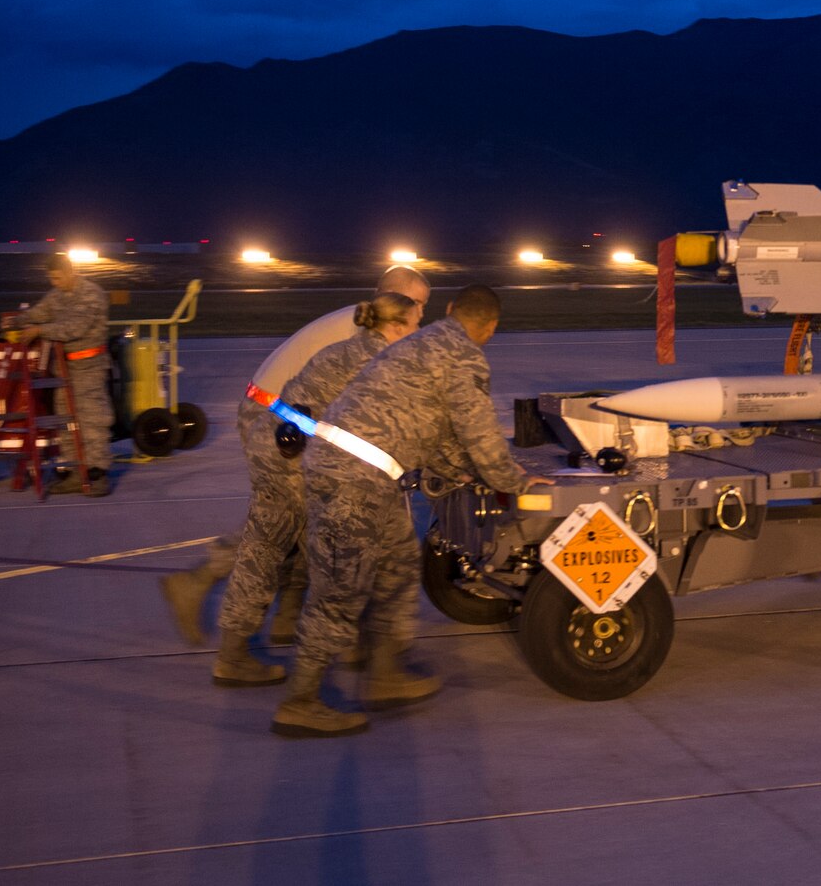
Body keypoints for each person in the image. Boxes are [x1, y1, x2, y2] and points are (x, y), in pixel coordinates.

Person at [274, 285, 553, 738]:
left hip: (358, 470)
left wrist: (460, 472)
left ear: (448, 311)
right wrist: (515, 481)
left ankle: (385, 674)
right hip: (353, 477)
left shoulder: (421, 344)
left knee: (400, 562)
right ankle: (300, 701)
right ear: (491, 328)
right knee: (340, 590)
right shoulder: (463, 357)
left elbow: (438, 436)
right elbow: (478, 434)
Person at [161, 266, 430, 645]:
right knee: (281, 522)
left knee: (306, 520)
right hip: (274, 418)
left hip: (281, 414)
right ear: (393, 298)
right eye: (417, 304)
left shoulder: (362, 321)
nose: (421, 316)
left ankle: (287, 621)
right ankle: (198, 580)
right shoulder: (370, 333)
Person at [208, 291, 423, 687]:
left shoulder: (343, 348)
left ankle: (232, 656)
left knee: (263, 551)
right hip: (294, 458)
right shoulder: (381, 363)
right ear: (395, 328)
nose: (419, 332)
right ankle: (359, 663)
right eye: (414, 324)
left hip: (270, 442)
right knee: (363, 551)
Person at [16, 255, 112, 496]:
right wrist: (14, 321)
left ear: (70, 271)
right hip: (64, 369)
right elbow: (40, 312)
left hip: (89, 367)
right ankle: (74, 473)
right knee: (67, 422)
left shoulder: (91, 294)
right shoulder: (56, 295)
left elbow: (74, 327)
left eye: (58, 277)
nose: (55, 282)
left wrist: (40, 330)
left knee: (92, 422)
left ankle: (97, 474)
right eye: (51, 278)